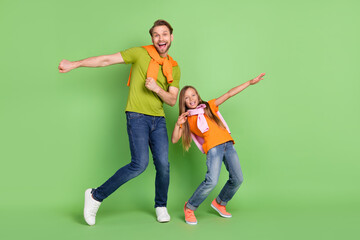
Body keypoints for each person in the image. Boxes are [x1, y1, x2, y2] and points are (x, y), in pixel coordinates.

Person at [58, 20, 181, 225]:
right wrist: (75, 64)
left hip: (158, 120)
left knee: (163, 165)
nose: (161, 38)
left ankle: (161, 205)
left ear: (171, 37)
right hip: (137, 117)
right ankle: (95, 196)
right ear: (152, 38)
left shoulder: (174, 67)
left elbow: (171, 100)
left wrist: (156, 89)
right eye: (156, 35)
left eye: (165, 34)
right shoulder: (140, 53)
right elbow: (106, 60)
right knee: (139, 164)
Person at [171, 73, 265, 225]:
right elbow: (175, 140)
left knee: (238, 178)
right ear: (183, 103)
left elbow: (229, 94)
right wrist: (177, 124)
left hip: (228, 143)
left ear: (197, 95)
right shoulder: (187, 119)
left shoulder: (209, 106)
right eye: (186, 98)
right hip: (214, 149)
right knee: (211, 181)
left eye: (193, 95)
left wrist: (249, 82)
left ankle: (220, 202)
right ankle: (189, 207)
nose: (191, 99)